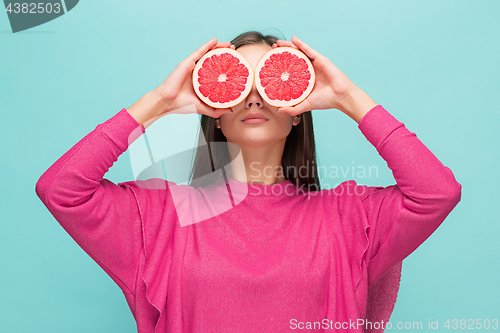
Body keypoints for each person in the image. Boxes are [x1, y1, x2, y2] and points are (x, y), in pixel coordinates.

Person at [35, 31, 462, 332]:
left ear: (298, 108)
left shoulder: (350, 215)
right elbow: (61, 190)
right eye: (237, 82)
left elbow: (437, 193)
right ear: (215, 108)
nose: (254, 95)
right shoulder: (162, 215)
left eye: (273, 80)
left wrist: (349, 98)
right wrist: (158, 103)